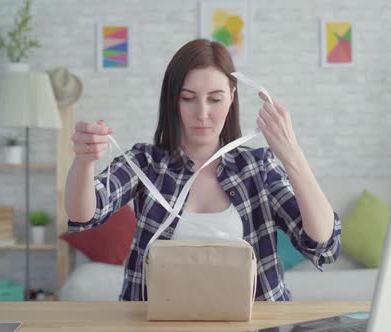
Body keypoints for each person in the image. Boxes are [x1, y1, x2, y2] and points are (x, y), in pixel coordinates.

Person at [64, 39, 341, 301]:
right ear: (173, 100)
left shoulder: (258, 167)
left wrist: (293, 156)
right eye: (188, 98)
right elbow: (84, 214)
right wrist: (84, 160)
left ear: (232, 98)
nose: (202, 113)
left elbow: (323, 245)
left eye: (215, 99)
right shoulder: (145, 163)